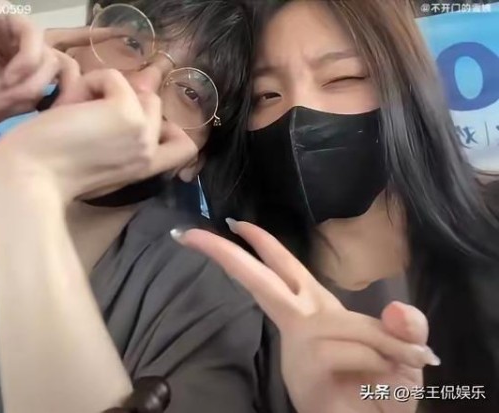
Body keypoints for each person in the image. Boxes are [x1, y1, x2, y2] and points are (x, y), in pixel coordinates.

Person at [0, 1, 274, 412]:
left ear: (193, 160)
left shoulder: (204, 308)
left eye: (191, 93)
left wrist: (29, 184)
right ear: (74, 47)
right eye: (131, 42)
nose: (139, 86)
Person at [180, 0, 499, 412]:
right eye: (266, 95)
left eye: (343, 77)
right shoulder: (220, 288)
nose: (299, 114)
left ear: (408, 85)